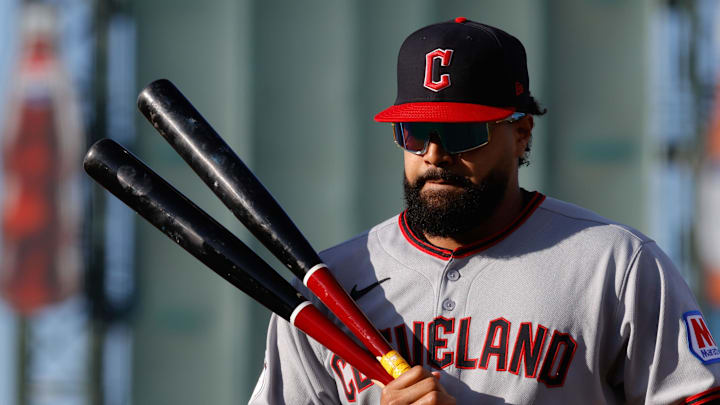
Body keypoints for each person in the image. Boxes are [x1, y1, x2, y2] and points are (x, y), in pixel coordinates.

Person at [249, 18, 720, 404]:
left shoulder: (614, 265)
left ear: (521, 134)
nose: (434, 154)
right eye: (413, 132)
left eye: (461, 133)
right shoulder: (326, 286)